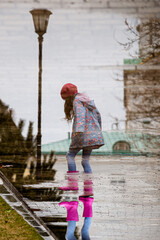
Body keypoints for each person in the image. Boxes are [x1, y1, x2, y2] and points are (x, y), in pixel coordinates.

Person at [60, 83, 104, 175]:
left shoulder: (77, 101)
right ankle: (88, 188)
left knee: (70, 155)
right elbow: (98, 115)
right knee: (85, 161)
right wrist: (98, 130)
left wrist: (78, 130)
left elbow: (80, 115)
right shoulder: (88, 101)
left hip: (82, 134)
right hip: (93, 134)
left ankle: (73, 183)